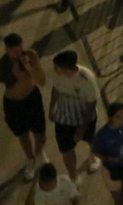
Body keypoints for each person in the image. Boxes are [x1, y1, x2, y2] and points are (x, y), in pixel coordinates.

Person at [0, 34, 50, 181]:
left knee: (40, 134)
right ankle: (31, 159)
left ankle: (39, 152)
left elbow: (42, 80)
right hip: (13, 105)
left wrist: (28, 67)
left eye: (19, 47)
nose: (18, 52)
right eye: (13, 50)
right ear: (6, 49)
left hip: (32, 99)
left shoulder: (30, 56)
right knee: (23, 135)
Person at [48, 50, 103, 178]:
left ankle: (93, 156)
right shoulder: (57, 75)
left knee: (90, 139)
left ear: (65, 68)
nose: (54, 69)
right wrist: (52, 107)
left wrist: (81, 130)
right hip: (64, 118)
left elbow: (91, 105)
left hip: (84, 118)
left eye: (57, 66)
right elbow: (55, 89)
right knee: (66, 149)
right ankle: (73, 176)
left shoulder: (86, 78)